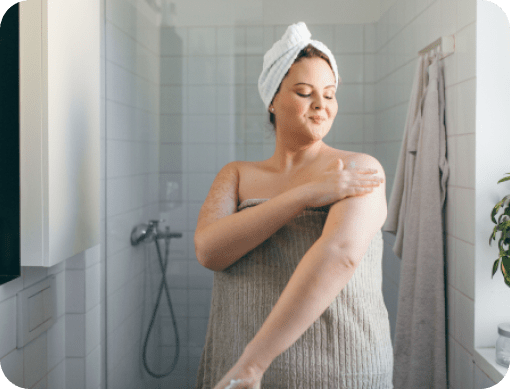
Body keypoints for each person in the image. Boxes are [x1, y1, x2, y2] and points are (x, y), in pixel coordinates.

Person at [194, 21, 393, 389]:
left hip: (337, 372)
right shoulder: (235, 174)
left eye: (330, 94)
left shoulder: (359, 170)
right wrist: (305, 195)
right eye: (304, 92)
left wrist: (253, 365)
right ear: (272, 99)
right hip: (241, 373)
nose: (321, 104)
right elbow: (210, 251)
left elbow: (340, 254)